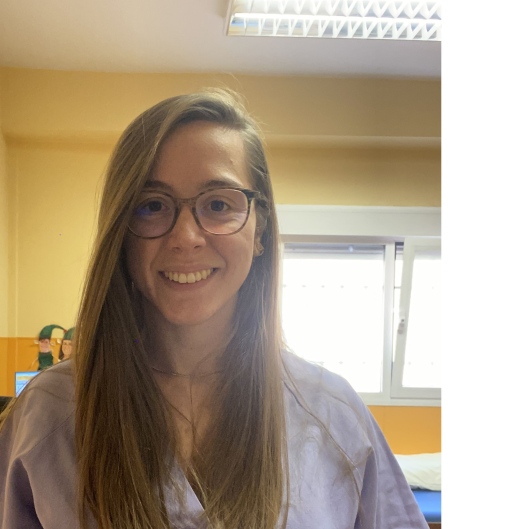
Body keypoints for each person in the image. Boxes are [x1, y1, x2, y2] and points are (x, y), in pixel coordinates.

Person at [0, 89, 429, 529]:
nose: (186, 237)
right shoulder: (47, 416)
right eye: (152, 205)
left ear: (259, 230)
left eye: (219, 204)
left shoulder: (334, 416)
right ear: (120, 233)